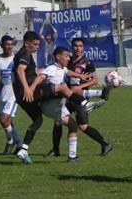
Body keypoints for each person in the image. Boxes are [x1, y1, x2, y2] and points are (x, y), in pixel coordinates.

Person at [13, 31, 91, 164]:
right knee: (61, 87)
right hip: (29, 92)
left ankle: (24, 149)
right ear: (27, 43)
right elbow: (20, 70)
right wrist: (28, 88)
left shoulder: (25, 54)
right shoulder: (25, 53)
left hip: (22, 96)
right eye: (35, 44)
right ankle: (85, 104)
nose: (37, 47)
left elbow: (30, 72)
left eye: (38, 45)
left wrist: (80, 76)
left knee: (39, 121)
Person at [47, 38, 113, 157]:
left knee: (83, 126)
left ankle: (105, 144)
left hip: (79, 98)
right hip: (67, 96)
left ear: (83, 48)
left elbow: (95, 80)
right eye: (76, 46)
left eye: (80, 46)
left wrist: (80, 87)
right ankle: (55, 150)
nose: (78, 48)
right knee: (58, 121)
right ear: (72, 47)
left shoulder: (87, 63)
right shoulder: (68, 60)